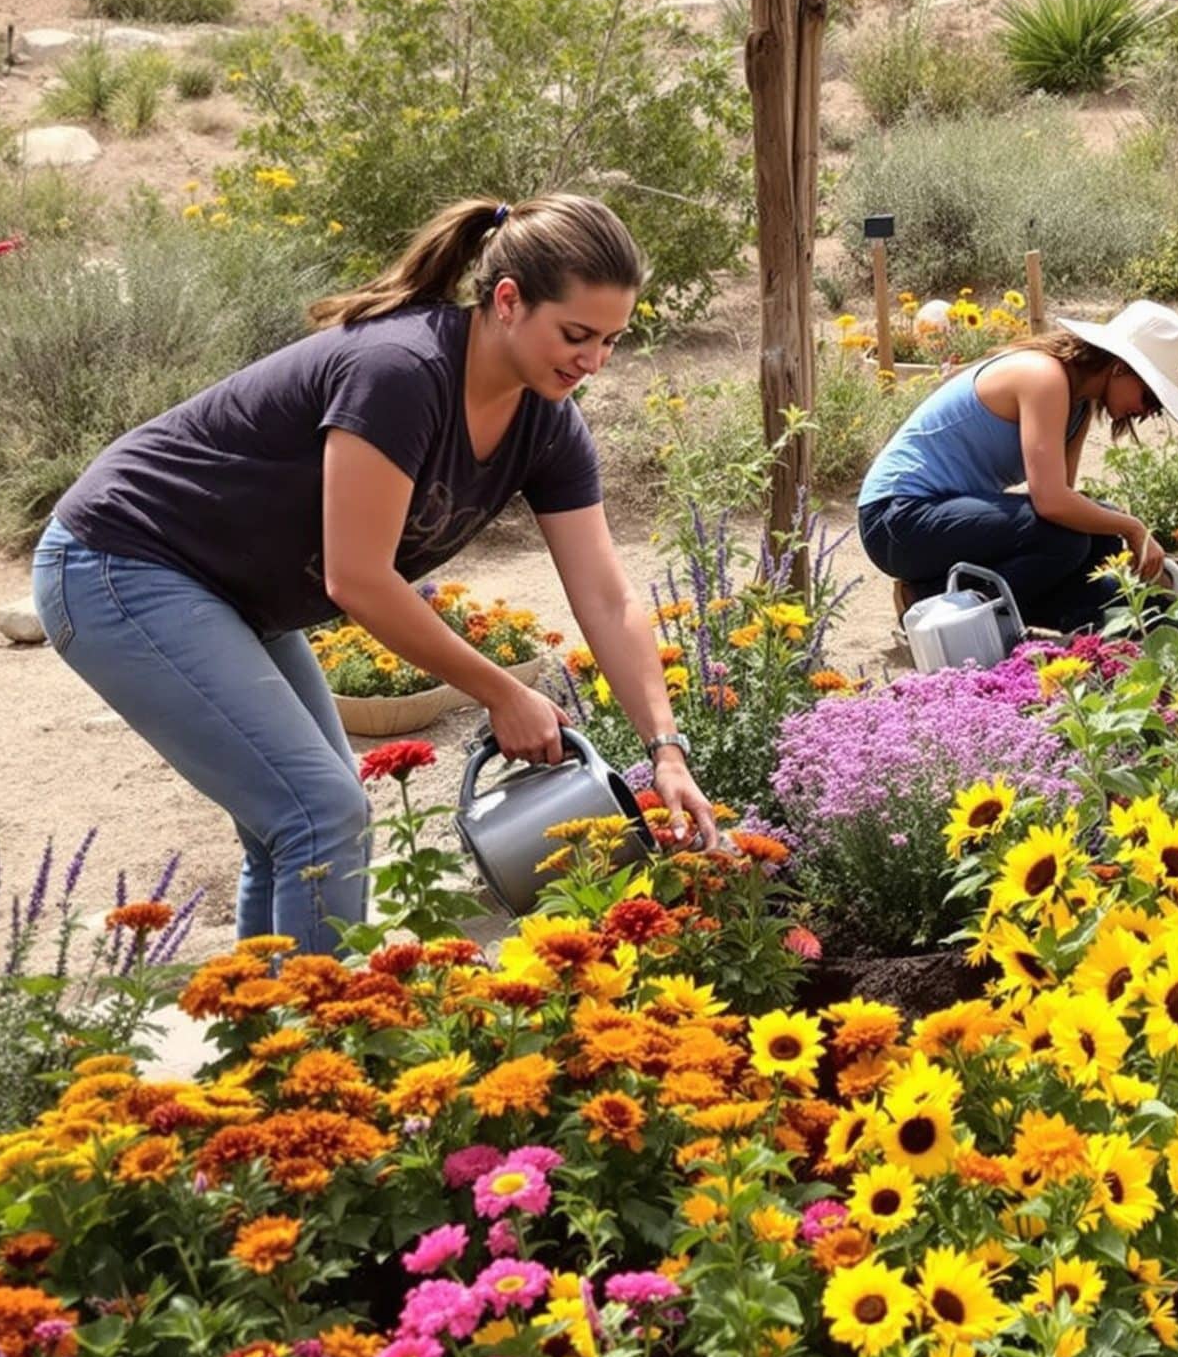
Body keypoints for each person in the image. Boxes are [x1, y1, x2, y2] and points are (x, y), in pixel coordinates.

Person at [35, 194, 720, 955]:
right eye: (576, 334)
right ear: (507, 301)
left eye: (613, 341)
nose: (593, 361)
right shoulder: (402, 371)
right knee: (319, 812)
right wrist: (502, 689)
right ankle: (320, 1058)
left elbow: (607, 595)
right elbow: (356, 577)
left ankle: (271, 1039)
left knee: (300, 826)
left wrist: (666, 746)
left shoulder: (548, 425)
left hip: (226, 594)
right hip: (119, 561)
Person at [858, 300, 1178, 632]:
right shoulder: (1044, 377)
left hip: (932, 519)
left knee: (1094, 538)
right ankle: (930, 600)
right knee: (1067, 542)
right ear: (1122, 366)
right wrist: (1133, 527)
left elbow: (1066, 503)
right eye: (1150, 398)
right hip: (896, 519)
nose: (1145, 412)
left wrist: (1113, 529)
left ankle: (1080, 617)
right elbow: (1051, 501)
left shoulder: (1078, 404)